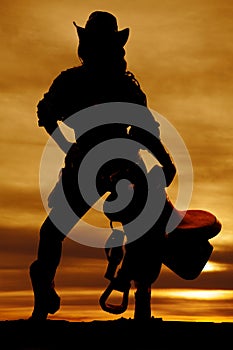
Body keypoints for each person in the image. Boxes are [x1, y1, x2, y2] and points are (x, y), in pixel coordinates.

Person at [29, 11, 176, 320]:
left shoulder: (75, 81)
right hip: (117, 162)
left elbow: (47, 114)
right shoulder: (123, 85)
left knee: (54, 232)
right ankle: (140, 308)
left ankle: (45, 303)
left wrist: (66, 146)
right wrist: (164, 161)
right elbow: (145, 131)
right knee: (139, 231)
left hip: (96, 163)